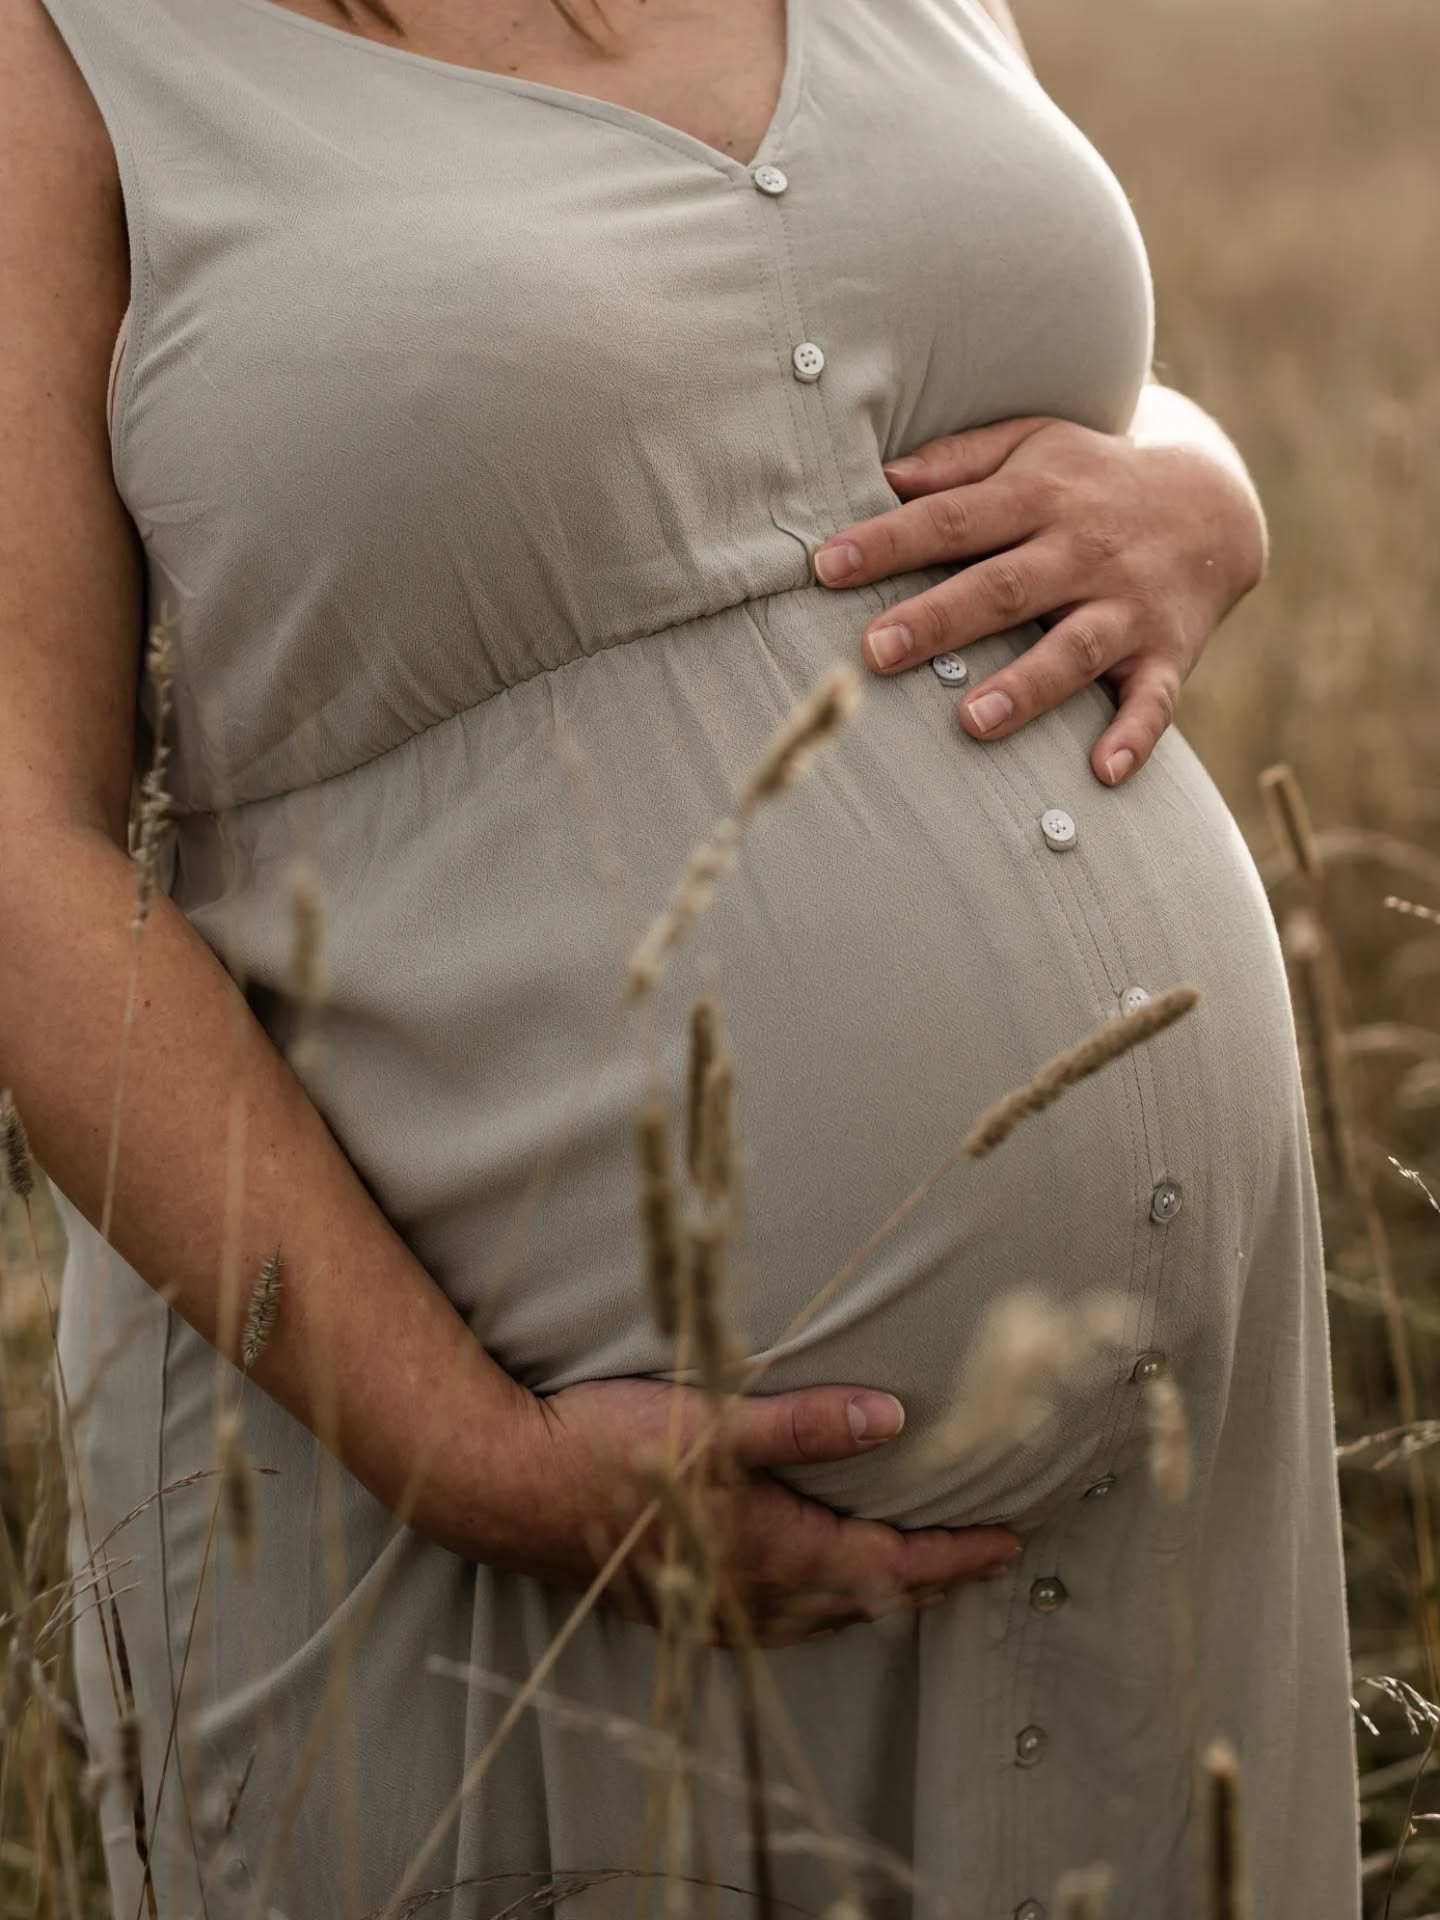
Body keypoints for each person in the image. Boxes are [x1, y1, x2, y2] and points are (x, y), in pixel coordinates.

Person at [0, 0, 1363, 1914]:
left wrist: (1206, 492)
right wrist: (474, 1457)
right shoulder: (68, 57)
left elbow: (1014, 363)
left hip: (1166, 1472)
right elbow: (18, 842)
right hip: (501, 1523)